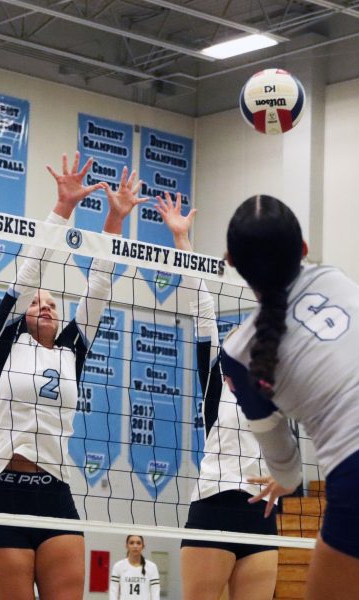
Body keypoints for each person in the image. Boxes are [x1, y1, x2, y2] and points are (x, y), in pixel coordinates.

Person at [0, 151, 147, 600]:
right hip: (0, 492)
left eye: (52, 302)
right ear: (23, 312)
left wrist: (114, 222)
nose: (45, 305)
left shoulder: (73, 351)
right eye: (36, 303)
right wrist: (63, 209)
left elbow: (100, 288)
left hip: (55, 492)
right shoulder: (3, 345)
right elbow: (29, 273)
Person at [220, 194, 359, 600]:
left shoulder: (240, 354)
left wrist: (284, 481)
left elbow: (287, 470)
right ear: (303, 250)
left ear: (230, 261)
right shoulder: (334, 277)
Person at [156, 192, 278, 600]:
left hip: (262, 513)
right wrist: (183, 242)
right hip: (215, 504)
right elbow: (201, 305)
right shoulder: (214, 378)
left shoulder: (279, 389)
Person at [110, 535, 160, 600]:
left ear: (143, 546)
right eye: (131, 543)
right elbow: (113, 592)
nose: (135, 546)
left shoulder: (152, 567)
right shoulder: (118, 566)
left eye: (138, 543)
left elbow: (155, 593)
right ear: (126, 546)